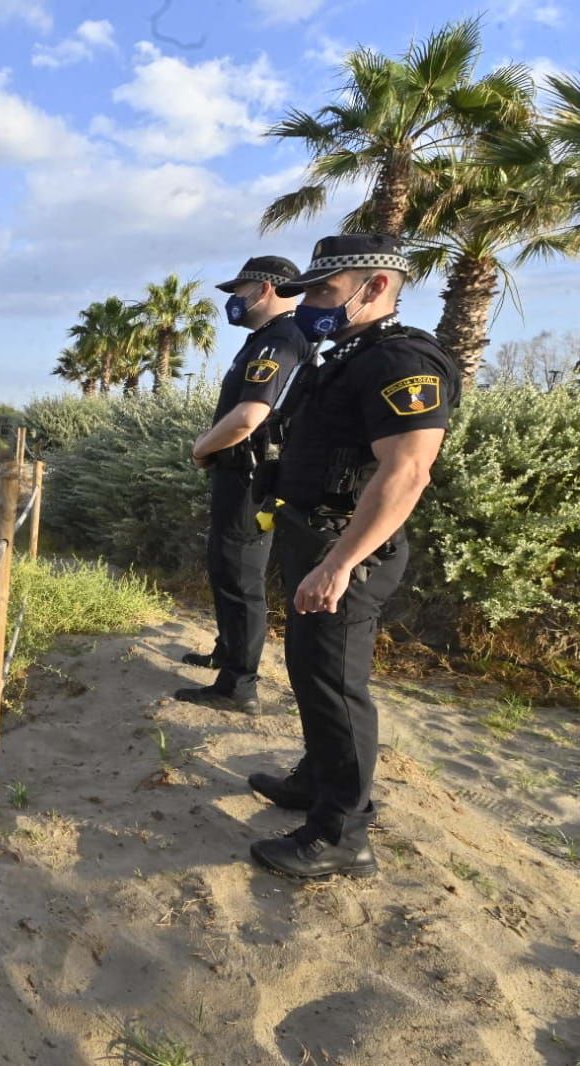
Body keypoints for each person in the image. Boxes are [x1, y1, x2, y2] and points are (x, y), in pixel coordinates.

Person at [246, 234, 460, 879]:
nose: (306, 302)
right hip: (314, 535)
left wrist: (340, 562)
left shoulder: (401, 359)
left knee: (338, 686)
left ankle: (343, 834)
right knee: (312, 672)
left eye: (322, 291)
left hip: (348, 549)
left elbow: (408, 471)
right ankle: (317, 779)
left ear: (376, 288)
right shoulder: (349, 352)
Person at [178, 256, 311, 714]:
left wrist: (201, 448)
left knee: (240, 577)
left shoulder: (282, 340)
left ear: (267, 289)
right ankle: (227, 651)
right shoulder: (265, 340)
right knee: (224, 568)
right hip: (239, 475)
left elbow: (249, 417)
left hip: (252, 477)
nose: (234, 299)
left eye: (240, 289)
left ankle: (238, 686)